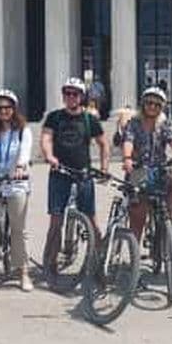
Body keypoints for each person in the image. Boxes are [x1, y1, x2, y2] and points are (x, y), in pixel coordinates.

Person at [40, 77, 109, 276]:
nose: (70, 97)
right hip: (59, 173)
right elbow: (46, 138)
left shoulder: (89, 119)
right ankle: (50, 263)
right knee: (56, 220)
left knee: (92, 221)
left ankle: (99, 263)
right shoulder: (54, 117)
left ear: (81, 97)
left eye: (75, 94)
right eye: (67, 93)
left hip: (83, 173)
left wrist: (103, 168)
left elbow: (104, 144)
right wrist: (49, 155)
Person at [122, 87, 172, 240]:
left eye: (157, 104)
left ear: (161, 107)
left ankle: (170, 223)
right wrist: (127, 158)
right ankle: (134, 249)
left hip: (159, 169)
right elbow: (128, 141)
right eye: (149, 103)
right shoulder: (134, 123)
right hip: (138, 169)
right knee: (139, 214)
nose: (152, 107)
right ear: (143, 104)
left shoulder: (163, 124)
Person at [0, 89, 33, 292]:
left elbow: (25, 151)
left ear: (14, 109)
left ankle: (23, 271)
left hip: (15, 183)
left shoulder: (22, 131)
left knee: (18, 230)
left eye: (7, 107)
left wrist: (20, 166)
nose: (4, 111)